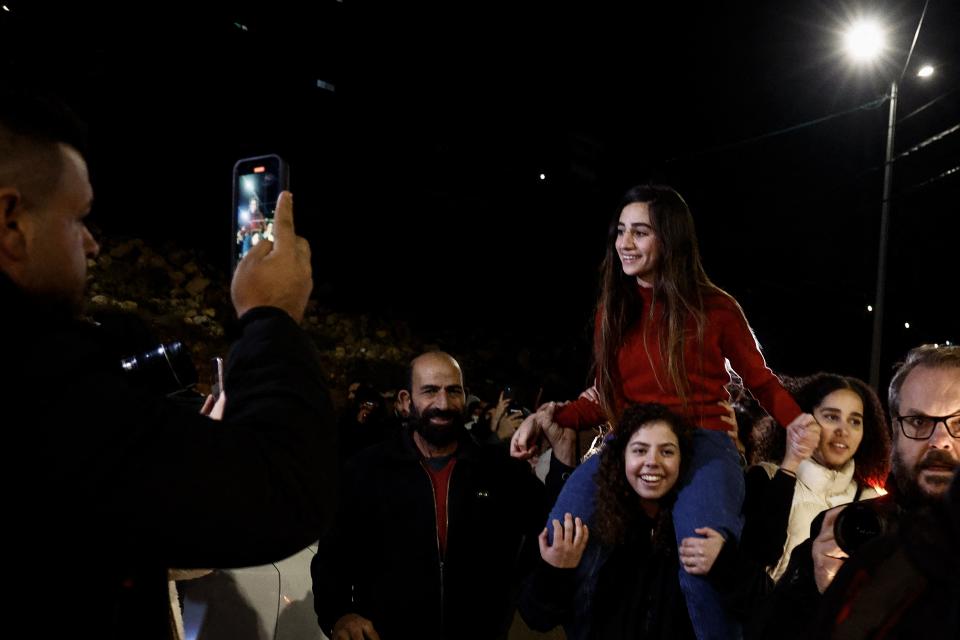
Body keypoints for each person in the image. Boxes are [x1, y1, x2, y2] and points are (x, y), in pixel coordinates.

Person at [1, 90, 335, 639]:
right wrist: (271, 316)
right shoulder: (42, 386)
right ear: (11, 221)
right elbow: (284, 493)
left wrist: (190, 445)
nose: (92, 244)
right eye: (78, 217)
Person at [512, 184, 813, 639]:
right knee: (561, 529)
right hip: (630, 440)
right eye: (620, 231)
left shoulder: (717, 307)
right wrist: (549, 417)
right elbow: (604, 395)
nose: (625, 244)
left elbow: (760, 379)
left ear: (670, 239)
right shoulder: (612, 310)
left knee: (700, 559)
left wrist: (797, 421)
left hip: (706, 440)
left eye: (640, 232)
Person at [312, 351, 565, 640]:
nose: (443, 404)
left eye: (453, 391)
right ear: (406, 401)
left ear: (464, 395)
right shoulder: (365, 470)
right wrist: (339, 614)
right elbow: (332, 557)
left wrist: (513, 596)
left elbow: (548, 526)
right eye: (430, 391)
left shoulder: (500, 471)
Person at [759, 344, 959, 639]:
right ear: (894, 430)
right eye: (918, 422)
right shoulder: (846, 530)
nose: (940, 440)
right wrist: (823, 594)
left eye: (959, 423)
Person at [520, 403, 768, 639]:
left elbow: (767, 609)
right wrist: (555, 572)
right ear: (622, 457)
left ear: (684, 459)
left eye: (667, 451)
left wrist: (726, 564)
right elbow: (536, 618)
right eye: (640, 450)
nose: (652, 461)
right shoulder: (592, 521)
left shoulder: (709, 519)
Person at [743, 373, 890, 581]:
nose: (843, 431)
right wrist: (791, 463)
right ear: (805, 418)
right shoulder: (765, 477)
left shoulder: (871, 499)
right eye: (831, 417)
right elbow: (755, 558)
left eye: (855, 421)